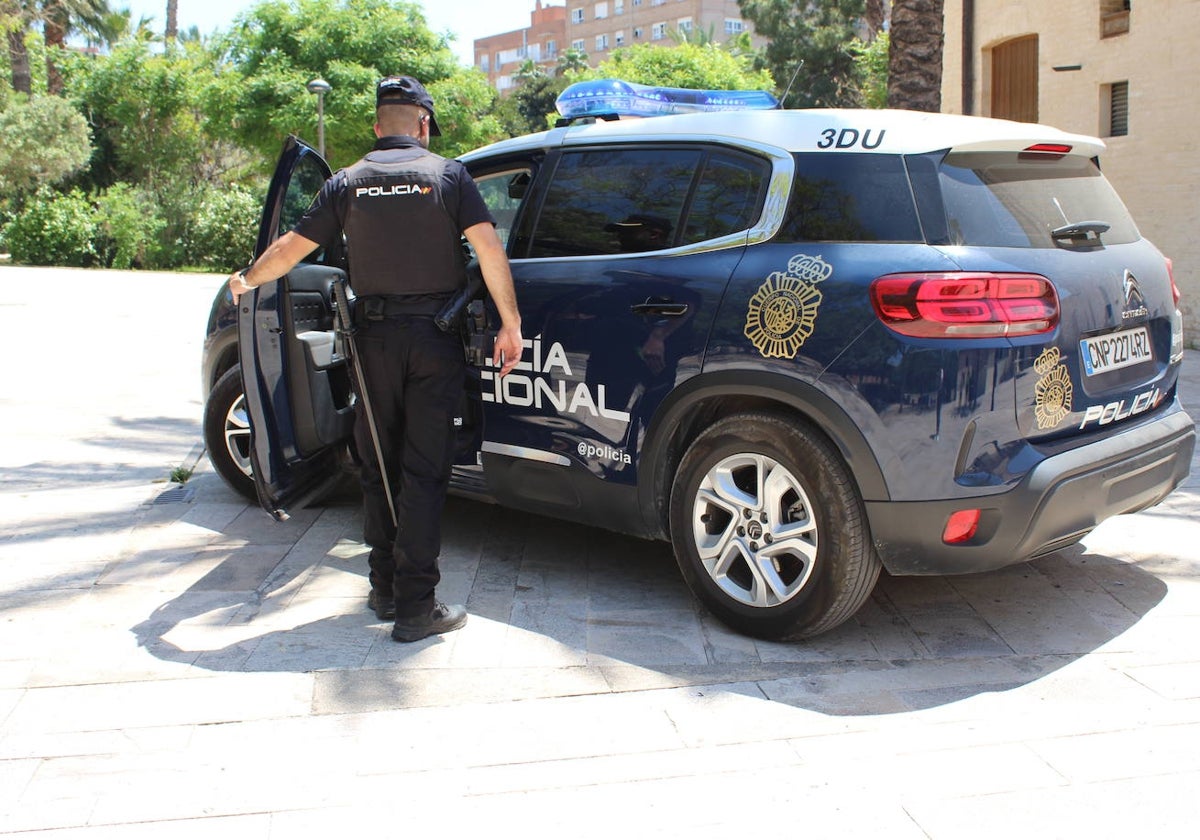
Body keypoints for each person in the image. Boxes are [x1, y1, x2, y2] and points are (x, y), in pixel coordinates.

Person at [228, 75, 522, 642]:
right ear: (423, 124)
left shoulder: (347, 183)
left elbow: (291, 250)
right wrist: (510, 324)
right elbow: (490, 251)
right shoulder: (448, 176)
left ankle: (385, 586)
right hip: (433, 340)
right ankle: (416, 607)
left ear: (375, 126)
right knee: (424, 470)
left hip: (372, 342)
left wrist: (246, 280)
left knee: (378, 465)